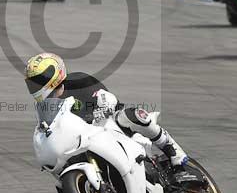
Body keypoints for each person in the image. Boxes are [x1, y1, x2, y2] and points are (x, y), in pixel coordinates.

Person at [24, 52, 197, 184]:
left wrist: (103, 108)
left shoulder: (79, 81)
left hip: (110, 125)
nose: (36, 86)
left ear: (54, 74)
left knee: (131, 115)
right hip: (85, 141)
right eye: (32, 83)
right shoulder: (45, 107)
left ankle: (175, 154)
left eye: (39, 80)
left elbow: (106, 97)